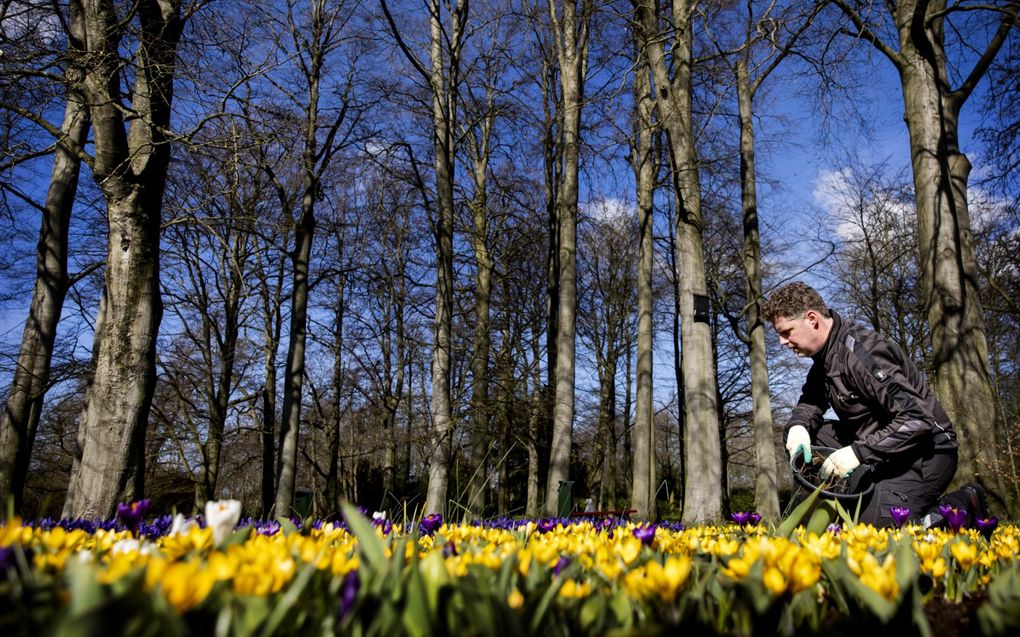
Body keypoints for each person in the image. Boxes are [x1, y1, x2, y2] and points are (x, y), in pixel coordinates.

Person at [761, 282, 983, 527]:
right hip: (879, 447)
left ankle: (963, 504)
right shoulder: (823, 360)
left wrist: (857, 453)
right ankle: (819, 514)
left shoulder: (862, 352)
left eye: (786, 332)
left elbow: (916, 420)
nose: (782, 342)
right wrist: (798, 428)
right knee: (804, 435)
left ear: (812, 319)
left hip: (926, 452)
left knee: (880, 531)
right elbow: (811, 402)